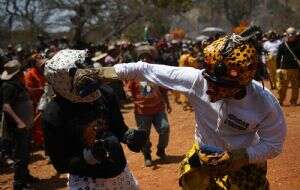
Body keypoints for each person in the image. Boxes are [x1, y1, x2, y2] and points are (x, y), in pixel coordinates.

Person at [74, 26, 287, 189]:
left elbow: (273, 145)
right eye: (207, 78)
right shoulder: (197, 80)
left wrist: (240, 157)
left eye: (218, 85)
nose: (209, 87)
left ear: (243, 81)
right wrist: (102, 73)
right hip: (203, 154)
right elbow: (144, 69)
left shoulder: (265, 104)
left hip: (245, 162)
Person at [42, 49, 147, 190]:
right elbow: (60, 164)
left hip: (119, 173)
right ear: (63, 82)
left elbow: (118, 127)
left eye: (84, 65)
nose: (86, 72)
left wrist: (129, 137)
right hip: (86, 179)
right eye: (75, 72)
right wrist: (89, 157)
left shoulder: (106, 94)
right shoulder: (53, 114)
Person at [126, 45, 171, 167]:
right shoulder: (134, 74)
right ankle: (147, 155)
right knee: (143, 135)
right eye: (142, 58)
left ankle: (161, 150)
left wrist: (168, 103)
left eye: (147, 58)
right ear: (139, 61)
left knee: (165, 128)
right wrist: (129, 94)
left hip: (158, 108)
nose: (145, 60)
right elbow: (128, 89)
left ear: (151, 60)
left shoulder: (156, 73)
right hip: (142, 111)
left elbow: (163, 90)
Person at [1, 60, 36, 190]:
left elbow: (27, 93)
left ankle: (25, 176)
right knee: (19, 156)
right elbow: (6, 106)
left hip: (24, 126)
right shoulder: (8, 87)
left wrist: (39, 90)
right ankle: (18, 184)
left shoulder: (18, 84)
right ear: (18, 72)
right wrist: (19, 121)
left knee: (25, 153)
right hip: (17, 127)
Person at [276, 27, 300, 106]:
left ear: (295, 35)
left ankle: (293, 101)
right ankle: (280, 100)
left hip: (296, 69)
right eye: (289, 35)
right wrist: (278, 68)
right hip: (284, 69)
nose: (291, 37)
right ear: (286, 35)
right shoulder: (282, 45)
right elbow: (278, 57)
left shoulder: (299, 44)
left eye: (292, 35)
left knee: (295, 87)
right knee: (282, 87)